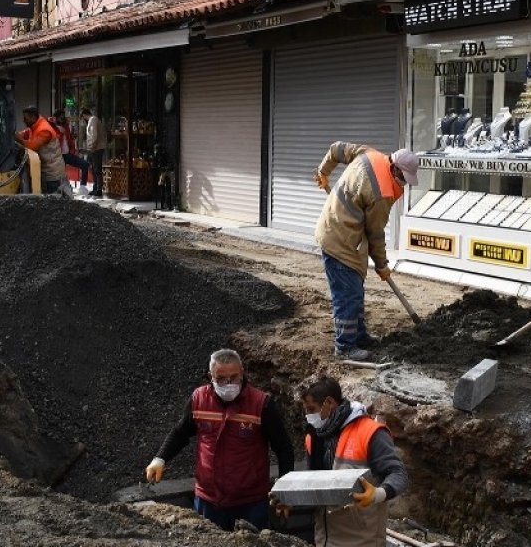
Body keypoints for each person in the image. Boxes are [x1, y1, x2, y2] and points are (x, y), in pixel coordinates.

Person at [145, 349, 294, 531]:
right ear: (211, 376)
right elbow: (180, 433)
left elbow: (284, 448)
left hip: (250, 502)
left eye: (234, 377)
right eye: (221, 379)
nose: (229, 384)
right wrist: (160, 459)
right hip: (209, 500)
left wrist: (286, 491)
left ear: (242, 372)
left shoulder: (260, 404)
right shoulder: (199, 399)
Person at [313, 142, 420, 361]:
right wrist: (382, 265)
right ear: (395, 168)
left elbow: (336, 149)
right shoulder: (382, 193)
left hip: (337, 228)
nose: (403, 183)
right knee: (347, 295)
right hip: (340, 240)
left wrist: (324, 171)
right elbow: (375, 234)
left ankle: (358, 336)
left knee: (354, 290)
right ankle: (344, 347)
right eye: (403, 177)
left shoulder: (368, 154)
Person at [294, 375, 409, 547]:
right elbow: (316, 489)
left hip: (362, 541)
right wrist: (292, 502)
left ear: (329, 402)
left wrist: (378, 494)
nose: (308, 416)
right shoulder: (315, 437)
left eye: (312, 409)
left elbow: (399, 474)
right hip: (324, 539)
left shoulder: (370, 432)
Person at [15, 105, 65, 194]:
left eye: (26, 118)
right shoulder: (34, 125)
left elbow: (32, 146)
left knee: (52, 198)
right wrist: (18, 135)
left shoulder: (44, 130)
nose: (23, 120)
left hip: (52, 174)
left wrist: (19, 139)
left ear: (33, 117)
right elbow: (26, 132)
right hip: (45, 171)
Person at [52, 110, 91, 194]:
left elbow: (69, 139)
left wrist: (73, 149)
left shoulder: (66, 126)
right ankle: (61, 189)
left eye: (63, 116)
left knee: (84, 164)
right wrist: (59, 131)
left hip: (67, 154)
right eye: (60, 117)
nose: (62, 118)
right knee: (59, 174)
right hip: (58, 155)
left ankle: (82, 186)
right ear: (56, 118)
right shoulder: (52, 127)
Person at [82, 107, 106, 198]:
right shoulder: (94, 120)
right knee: (93, 168)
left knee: (96, 169)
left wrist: (92, 146)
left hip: (96, 148)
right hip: (95, 148)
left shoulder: (93, 120)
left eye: (83, 117)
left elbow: (94, 134)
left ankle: (98, 189)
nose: (83, 119)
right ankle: (96, 188)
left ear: (84, 115)